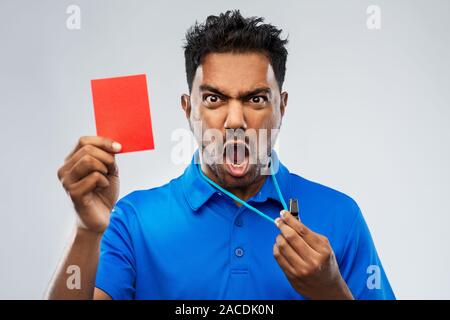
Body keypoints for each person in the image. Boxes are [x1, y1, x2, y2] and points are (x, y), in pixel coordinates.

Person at [47, 10, 395, 300]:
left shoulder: (341, 216)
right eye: (214, 99)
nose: (235, 121)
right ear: (188, 109)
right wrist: (86, 230)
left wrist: (331, 291)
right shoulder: (133, 220)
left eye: (256, 99)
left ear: (281, 107)